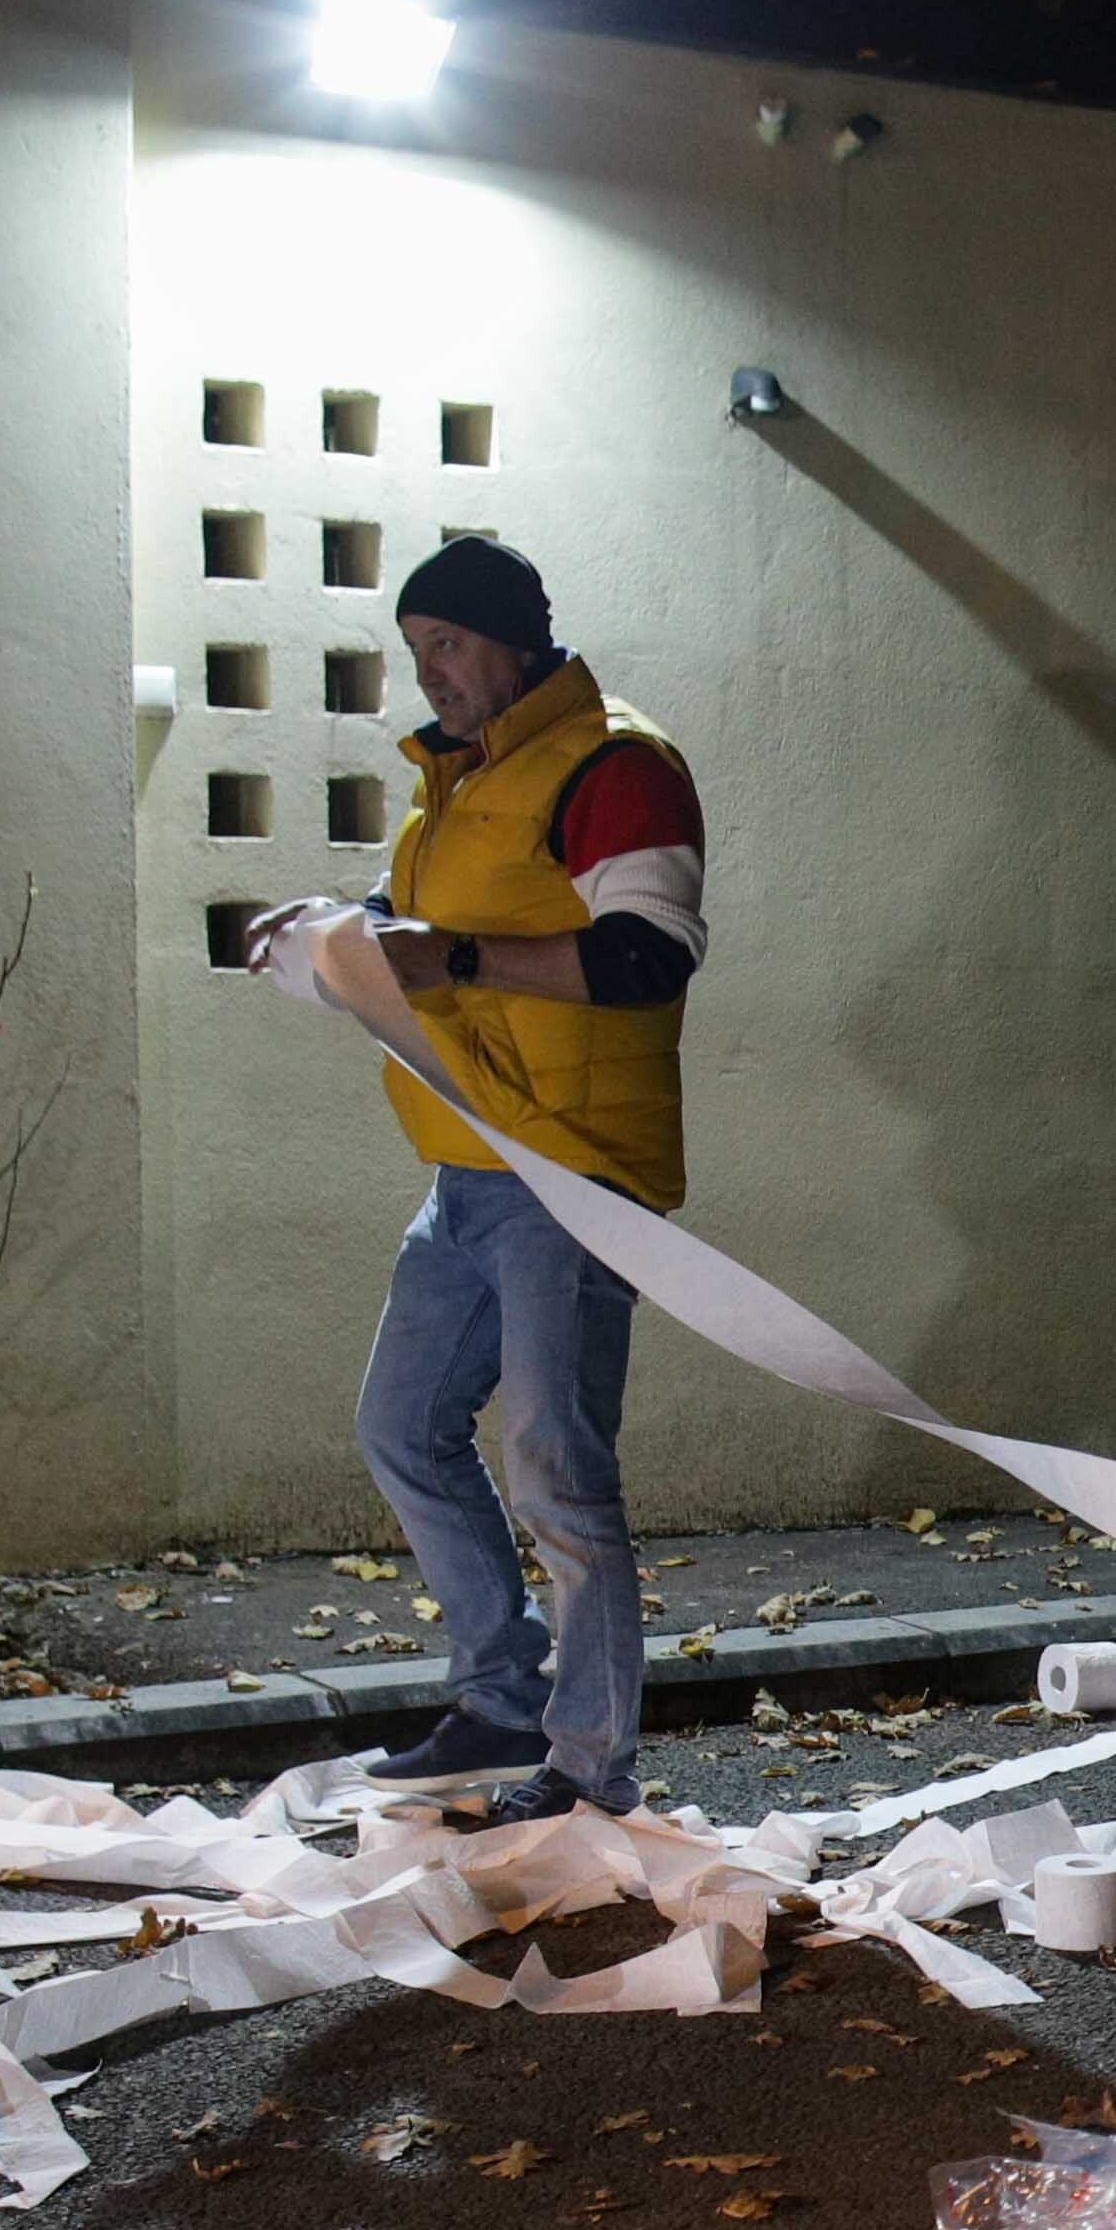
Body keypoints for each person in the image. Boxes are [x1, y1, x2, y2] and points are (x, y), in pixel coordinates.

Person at [245, 536, 709, 1824]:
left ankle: (587, 1766)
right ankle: (500, 1702)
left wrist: (446, 957)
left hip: (570, 1173)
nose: (431, 674)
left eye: (447, 643)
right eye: (415, 651)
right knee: (402, 1430)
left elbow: (645, 956)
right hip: (463, 1167)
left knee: (559, 1470)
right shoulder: (451, 783)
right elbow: (440, 942)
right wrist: (327, 933)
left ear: (515, 634)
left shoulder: (615, 762)